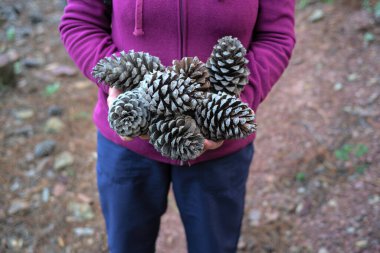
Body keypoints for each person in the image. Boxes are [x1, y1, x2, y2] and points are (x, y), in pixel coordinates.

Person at [59, 0, 295, 252]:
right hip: (128, 144)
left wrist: (230, 105)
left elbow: (276, 36)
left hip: (220, 149)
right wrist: (124, 86)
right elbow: (80, 22)